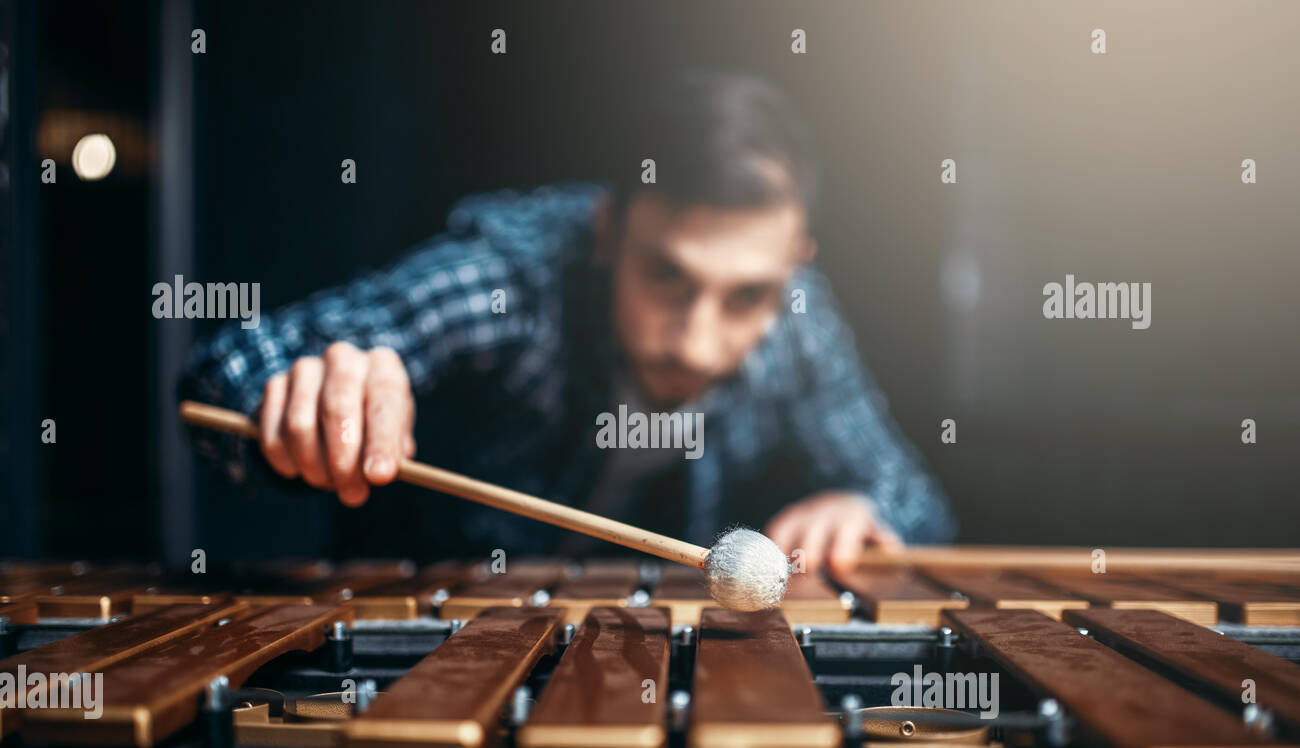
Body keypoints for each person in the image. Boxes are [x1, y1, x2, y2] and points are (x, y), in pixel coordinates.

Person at [182, 70, 955, 576]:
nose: (694, 341)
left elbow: (917, 500)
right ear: (606, 228)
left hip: (653, 663)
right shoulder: (510, 279)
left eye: (746, 296)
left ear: (795, 262)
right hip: (422, 663)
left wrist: (865, 508)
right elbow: (227, 375)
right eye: (666, 275)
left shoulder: (799, 315)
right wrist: (306, 391)